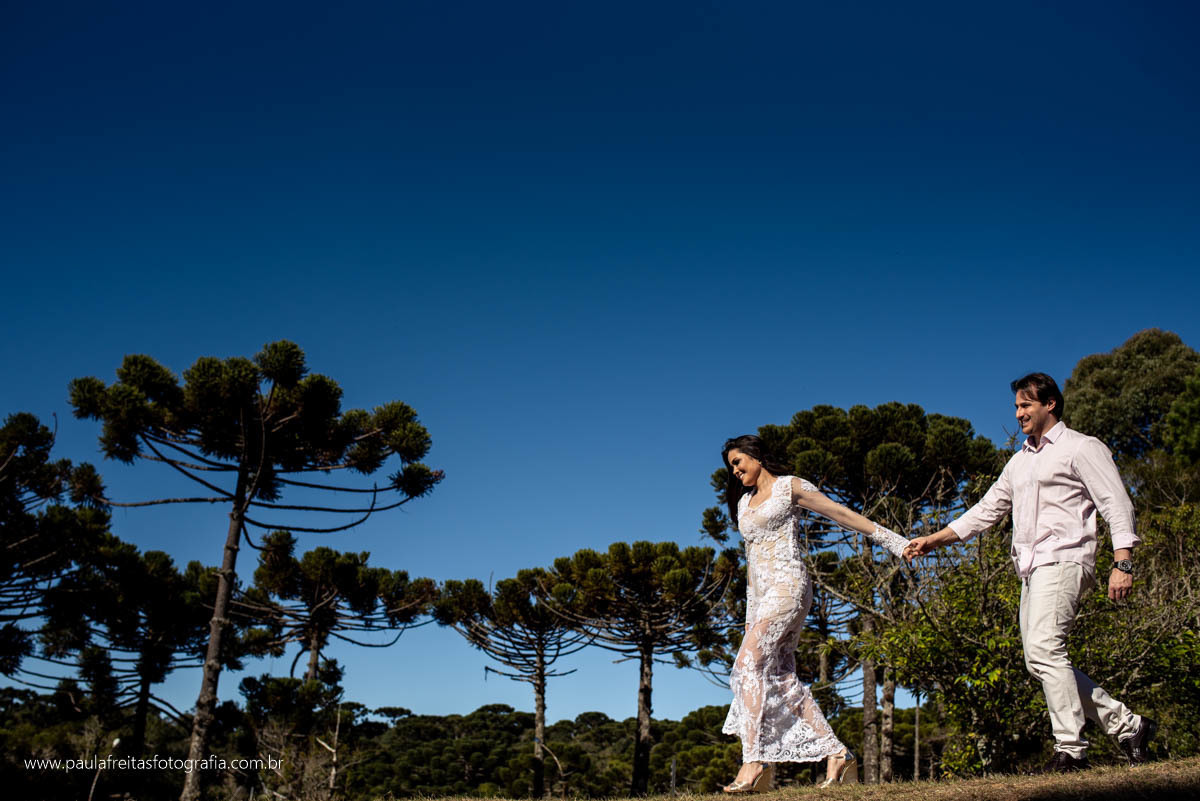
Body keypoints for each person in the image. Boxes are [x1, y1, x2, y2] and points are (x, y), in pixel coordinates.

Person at [904, 373, 1156, 772]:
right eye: (1017, 406)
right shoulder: (1019, 462)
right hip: (1031, 569)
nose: (1018, 413)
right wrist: (934, 539)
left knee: (1044, 650)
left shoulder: (1081, 447)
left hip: (1066, 558)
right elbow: (986, 510)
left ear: (1049, 404)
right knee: (1039, 660)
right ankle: (1129, 726)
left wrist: (1122, 562)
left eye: (1026, 405)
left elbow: (1116, 504)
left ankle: (1071, 750)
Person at [719, 435, 909, 792]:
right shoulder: (744, 503)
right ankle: (838, 754)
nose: (735, 471)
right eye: (730, 467)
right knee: (779, 677)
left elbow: (840, 513)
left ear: (756, 456)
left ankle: (754, 761)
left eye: (738, 462)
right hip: (762, 596)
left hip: (789, 586)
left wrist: (894, 541)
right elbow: (752, 563)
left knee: (747, 665)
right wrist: (750, 614)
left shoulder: (789, 487)